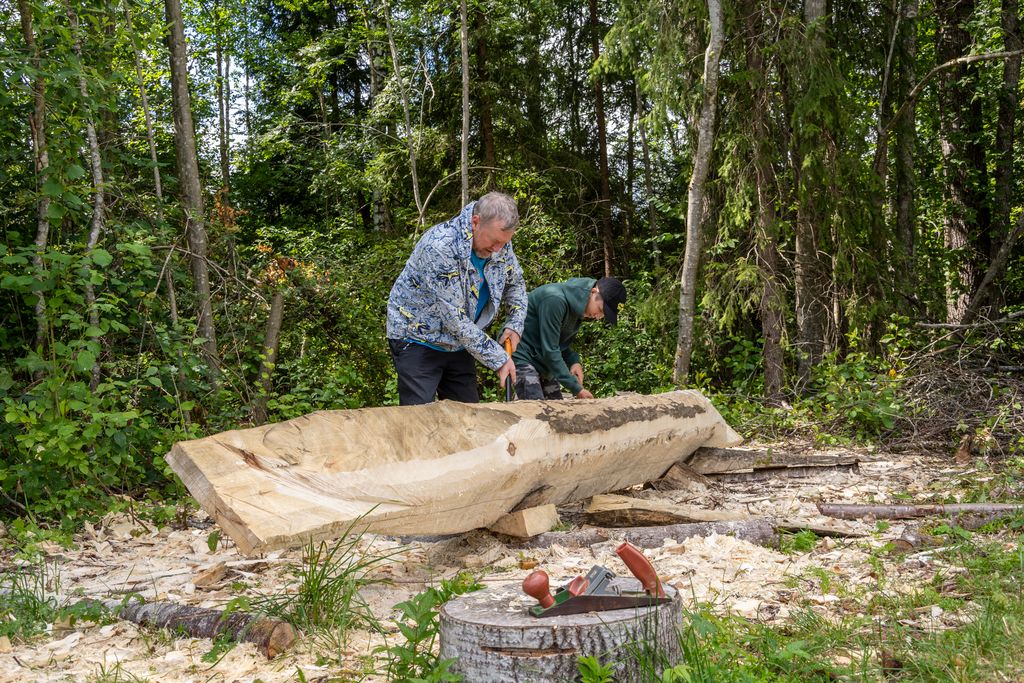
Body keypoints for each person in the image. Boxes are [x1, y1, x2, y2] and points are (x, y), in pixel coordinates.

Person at [386, 191, 527, 405]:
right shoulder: (439, 246)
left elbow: (515, 283)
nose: (498, 249)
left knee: (468, 415)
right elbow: (454, 319)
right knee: (419, 418)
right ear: (475, 222)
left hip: (459, 344)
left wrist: (515, 324)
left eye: (504, 243)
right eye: (494, 241)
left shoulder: (500, 245)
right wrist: (498, 358)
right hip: (417, 338)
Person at [512, 276, 627, 400]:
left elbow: (559, 344)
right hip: (522, 355)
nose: (599, 317)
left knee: (556, 407)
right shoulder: (555, 300)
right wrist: (577, 389)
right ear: (593, 292)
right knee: (535, 405)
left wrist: (573, 362)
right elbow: (550, 350)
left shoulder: (578, 309)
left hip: (542, 361)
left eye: (603, 315)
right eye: (600, 310)